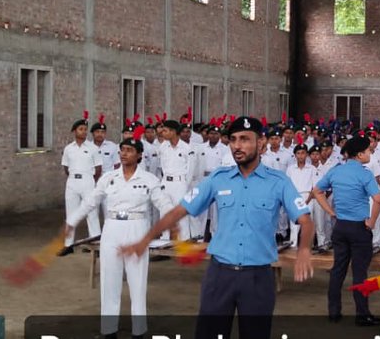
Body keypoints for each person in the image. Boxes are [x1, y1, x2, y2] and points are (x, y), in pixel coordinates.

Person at [121, 116, 315, 339]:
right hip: (220, 275)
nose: (237, 146)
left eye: (244, 139)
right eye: (233, 139)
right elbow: (178, 211)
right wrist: (145, 240)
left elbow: (306, 220)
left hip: (258, 278)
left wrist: (304, 250)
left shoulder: (279, 182)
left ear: (261, 142)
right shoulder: (218, 179)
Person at [64, 127, 174, 339]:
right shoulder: (109, 177)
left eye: (129, 150)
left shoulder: (149, 179)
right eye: (122, 150)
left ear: (139, 155)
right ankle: (109, 331)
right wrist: (72, 220)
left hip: (136, 228)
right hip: (112, 228)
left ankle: (138, 332)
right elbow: (90, 201)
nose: (124, 153)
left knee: (137, 283)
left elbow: (164, 204)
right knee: (109, 282)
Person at [312, 135, 380, 326]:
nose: (370, 153)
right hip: (359, 228)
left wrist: (331, 212)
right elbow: (378, 199)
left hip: (340, 226)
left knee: (338, 270)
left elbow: (317, 191)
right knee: (359, 273)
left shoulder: (336, 171)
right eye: (368, 151)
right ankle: (362, 314)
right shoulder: (365, 174)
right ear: (359, 155)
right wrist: (372, 222)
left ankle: (334, 312)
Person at [60, 115, 103, 256]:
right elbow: (66, 167)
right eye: (81, 129)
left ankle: (96, 244)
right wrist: (74, 177)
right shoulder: (68, 148)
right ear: (74, 131)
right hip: (72, 181)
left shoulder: (93, 148)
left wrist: (90, 181)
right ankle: (68, 244)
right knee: (71, 214)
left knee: (91, 213)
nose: (84, 132)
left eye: (85, 129)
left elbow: (98, 169)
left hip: (88, 181)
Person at [156, 119, 193, 242]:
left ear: (173, 132)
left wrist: (185, 185)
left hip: (180, 183)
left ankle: (184, 240)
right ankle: (165, 240)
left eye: (165, 131)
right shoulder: (163, 147)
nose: (162, 133)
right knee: (164, 211)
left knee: (181, 212)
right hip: (166, 182)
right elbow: (162, 166)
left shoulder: (186, 148)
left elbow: (190, 170)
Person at [285, 143, 318, 248]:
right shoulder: (290, 169)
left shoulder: (312, 168)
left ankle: (308, 246)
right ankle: (293, 246)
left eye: (303, 153)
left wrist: (307, 200)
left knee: (308, 222)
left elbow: (315, 187)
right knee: (294, 224)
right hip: (294, 197)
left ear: (306, 154)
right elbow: (287, 185)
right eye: (298, 153)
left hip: (308, 197)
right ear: (295, 155)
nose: (300, 156)